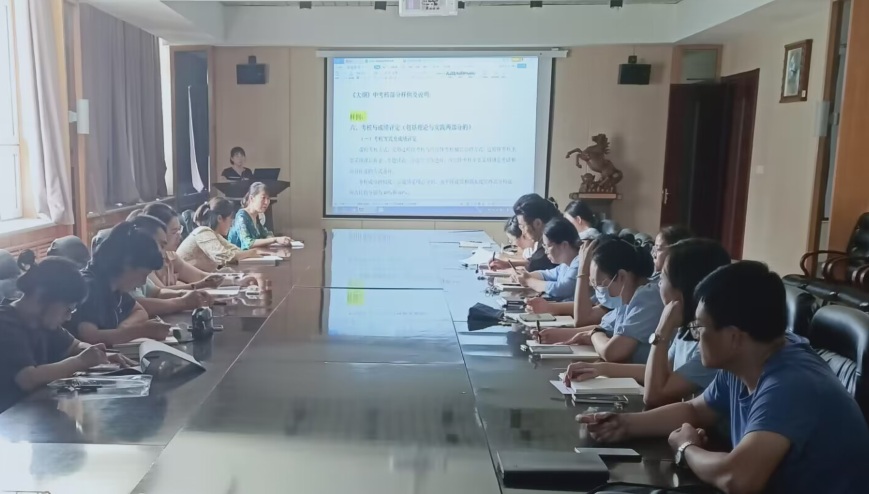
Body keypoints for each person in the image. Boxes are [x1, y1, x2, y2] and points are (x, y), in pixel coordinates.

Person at [579, 261, 869, 494]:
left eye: (699, 327)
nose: (695, 335)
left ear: (733, 337)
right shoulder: (749, 357)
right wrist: (625, 424)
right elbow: (695, 410)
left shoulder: (791, 384)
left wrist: (686, 448)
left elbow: (737, 479)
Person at [564, 239, 731, 408]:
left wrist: (661, 332)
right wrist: (602, 369)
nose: (658, 284)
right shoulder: (687, 329)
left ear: (683, 288)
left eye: (663, 278)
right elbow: (660, 372)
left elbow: (654, 395)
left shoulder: (711, 343)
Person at [0, 257, 135, 412]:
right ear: (40, 295)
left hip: (33, 410)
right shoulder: (5, 323)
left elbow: (75, 346)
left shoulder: (43, 322)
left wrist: (98, 354)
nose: (69, 317)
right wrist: (81, 361)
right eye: (67, 310)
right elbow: (28, 378)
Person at [538, 236, 662, 364]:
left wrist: (594, 335)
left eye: (599, 284)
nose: (597, 289)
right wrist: (556, 334)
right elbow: (604, 328)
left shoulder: (648, 298)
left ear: (621, 277)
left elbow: (611, 352)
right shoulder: (627, 298)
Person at [66, 221, 173, 346]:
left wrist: (124, 329)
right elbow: (91, 337)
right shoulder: (89, 287)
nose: (143, 282)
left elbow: (140, 311)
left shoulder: (115, 287)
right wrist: (140, 331)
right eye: (143, 275)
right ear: (127, 264)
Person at [128, 215, 213, 317]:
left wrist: (184, 294)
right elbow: (137, 305)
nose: (163, 252)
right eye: (161, 245)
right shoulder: (128, 269)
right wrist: (183, 302)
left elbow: (157, 292)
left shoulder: (142, 265)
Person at [142, 203, 226, 291]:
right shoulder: (144, 262)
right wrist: (201, 285)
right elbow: (161, 292)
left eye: (179, 230)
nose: (179, 235)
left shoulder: (171, 256)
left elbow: (200, 276)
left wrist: (234, 280)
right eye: (174, 232)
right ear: (158, 232)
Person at [177, 198, 263, 272]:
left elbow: (235, 250)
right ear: (219, 218)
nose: (231, 224)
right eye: (230, 219)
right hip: (180, 280)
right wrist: (251, 252)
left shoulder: (215, 235)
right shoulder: (203, 232)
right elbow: (225, 257)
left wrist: (256, 252)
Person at [515, 217, 581, 301]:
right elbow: (548, 274)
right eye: (544, 246)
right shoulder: (565, 264)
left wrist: (529, 281)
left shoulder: (579, 263)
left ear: (564, 245)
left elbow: (561, 289)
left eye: (547, 246)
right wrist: (526, 275)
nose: (545, 251)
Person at [489, 194, 559, 272]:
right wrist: (506, 264)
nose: (523, 232)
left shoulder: (551, 246)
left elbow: (535, 265)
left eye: (522, 226)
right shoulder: (545, 241)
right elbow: (532, 263)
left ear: (538, 223)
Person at [228, 182, 293, 250]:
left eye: (268, 198)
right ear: (251, 198)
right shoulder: (241, 217)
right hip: (237, 256)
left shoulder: (256, 216)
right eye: (263, 198)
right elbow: (247, 243)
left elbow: (267, 233)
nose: (266, 202)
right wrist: (275, 240)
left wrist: (272, 238)